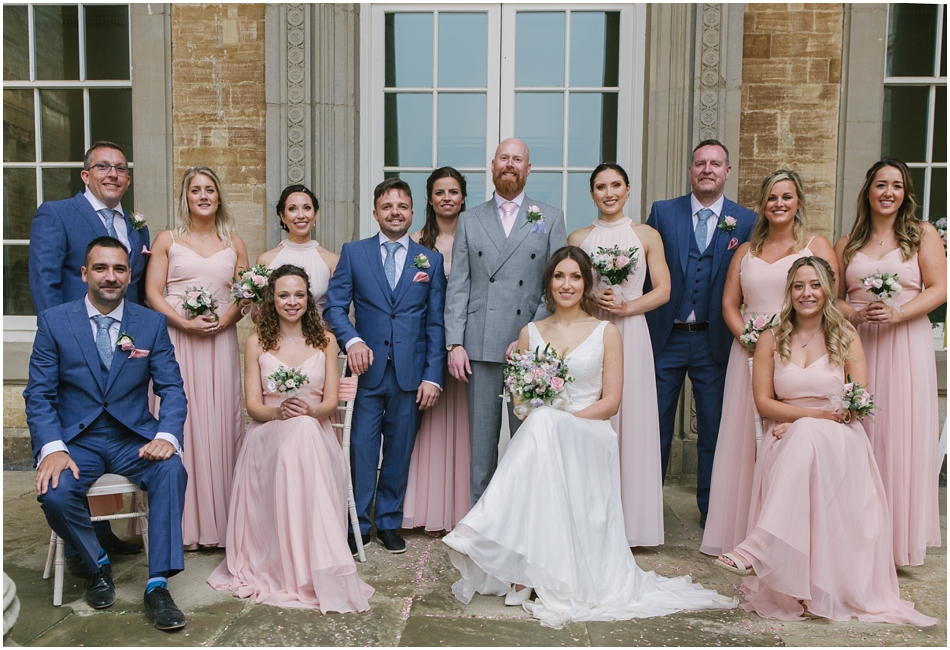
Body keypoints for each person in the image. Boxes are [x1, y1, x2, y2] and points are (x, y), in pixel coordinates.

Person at [443, 246, 736, 628]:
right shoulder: (529, 333)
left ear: (586, 283)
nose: (567, 284)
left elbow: (611, 402)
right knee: (541, 426)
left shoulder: (606, 332)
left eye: (576, 277)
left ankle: (492, 541)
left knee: (544, 425)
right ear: (549, 283)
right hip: (543, 434)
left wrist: (559, 420)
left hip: (589, 431)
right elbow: (519, 403)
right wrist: (544, 417)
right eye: (560, 276)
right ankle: (526, 567)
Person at [714, 257, 936, 626]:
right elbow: (764, 403)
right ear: (790, 291)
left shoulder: (845, 335)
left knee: (805, 435)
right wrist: (807, 419)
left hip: (839, 438)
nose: (807, 293)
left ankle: (758, 547)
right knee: (802, 436)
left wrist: (810, 421)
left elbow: (858, 402)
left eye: (815, 285)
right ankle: (773, 558)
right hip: (789, 433)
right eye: (799, 285)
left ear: (828, 290)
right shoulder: (771, 337)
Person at [24, 237, 189, 630]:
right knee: (55, 491)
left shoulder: (150, 323)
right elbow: (39, 394)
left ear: (130, 275)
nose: (110, 277)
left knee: (172, 471)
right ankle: (96, 562)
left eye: (119, 269)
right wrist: (51, 447)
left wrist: (166, 435)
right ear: (85, 274)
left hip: (133, 438)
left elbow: (172, 388)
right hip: (76, 442)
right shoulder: (54, 321)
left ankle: (158, 583)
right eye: (101, 268)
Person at [209, 265, 374, 612]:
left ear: (308, 298)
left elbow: (329, 402)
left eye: (299, 294)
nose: (292, 301)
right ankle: (303, 563)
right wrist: (280, 412)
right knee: (297, 430)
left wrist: (307, 413)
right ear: (272, 298)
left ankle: (313, 562)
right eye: (284, 294)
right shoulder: (257, 342)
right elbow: (254, 406)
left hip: (314, 432)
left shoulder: (326, 341)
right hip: (267, 435)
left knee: (303, 430)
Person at [701, 170, 836, 557]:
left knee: (788, 440)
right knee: (747, 445)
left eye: (787, 197)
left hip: (799, 358)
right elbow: (729, 304)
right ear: (762, 205)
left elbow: (828, 303)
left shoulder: (816, 246)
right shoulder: (745, 251)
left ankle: (791, 537)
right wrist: (748, 337)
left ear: (798, 203)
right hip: (749, 355)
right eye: (772, 197)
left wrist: (789, 347)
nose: (779, 204)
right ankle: (746, 531)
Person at [27, 141, 148, 569]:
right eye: (103, 167)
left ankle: (104, 531)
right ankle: (82, 546)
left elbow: (135, 290)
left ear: (127, 178)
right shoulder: (57, 214)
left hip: (120, 346)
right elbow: (43, 279)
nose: (113, 174)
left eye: (120, 168)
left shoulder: (135, 227)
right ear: (86, 174)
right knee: (75, 438)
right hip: (71, 346)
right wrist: (58, 339)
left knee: (110, 429)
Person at [324, 177, 447, 555]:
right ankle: (357, 523)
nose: (395, 212)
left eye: (402, 206)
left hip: (411, 374)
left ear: (412, 212)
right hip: (366, 373)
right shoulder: (353, 253)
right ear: (375, 212)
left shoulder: (431, 259)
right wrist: (353, 340)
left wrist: (432, 375)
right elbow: (334, 307)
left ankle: (389, 521)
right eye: (388, 206)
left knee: (399, 449)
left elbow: (436, 322)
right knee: (361, 448)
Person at [835, 159, 946, 567]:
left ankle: (896, 543)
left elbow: (940, 288)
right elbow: (835, 298)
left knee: (899, 435)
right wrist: (856, 314)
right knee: (860, 432)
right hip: (861, 344)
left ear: (905, 193)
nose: (888, 192)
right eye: (880, 184)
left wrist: (900, 313)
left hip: (905, 343)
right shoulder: (848, 242)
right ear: (868, 191)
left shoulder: (921, 235)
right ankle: (857, 537)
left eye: (896, 185)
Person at [444, 137, 568, 505]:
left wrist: (530, 335)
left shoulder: (551, 216)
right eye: (504, 158)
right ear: (493, 165)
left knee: (527, 441)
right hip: (479, 344)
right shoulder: (470, 219)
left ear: (528, 169)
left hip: (528, 348)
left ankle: (524, 522)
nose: (510, 164)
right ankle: (480, 525)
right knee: (481, 447)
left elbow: (555, 285)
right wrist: (454, 343)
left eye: (518, 159)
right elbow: (458, 285)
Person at [644, 139, 757, 527]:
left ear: (727, 171)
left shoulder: (746, 221)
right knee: (652, 425)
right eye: (699, 163)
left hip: (716, 341)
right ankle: (645, 509)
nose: (706, 169)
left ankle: (713, 511)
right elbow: (644, 275)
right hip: (666, 338)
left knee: (714, 428)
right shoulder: (662, 213)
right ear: (690, 170)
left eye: (715, 164)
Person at [145, 166, 249, 550]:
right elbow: (153, 293)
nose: (203, 196)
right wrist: (183, 324)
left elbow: (244, 295)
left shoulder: (234, 242)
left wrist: (225, 320)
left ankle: (221, 525)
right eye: (195, 190)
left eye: (209, 189)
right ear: (185, 198)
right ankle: (179, 524)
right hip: (177, 338)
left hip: (220, 340)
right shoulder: (168, 239)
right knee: (181, 419)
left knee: (220, 420)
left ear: (219, 197)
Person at [568, 163, 670, 547]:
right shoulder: (579, 237)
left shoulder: (646, 235)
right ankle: (591, 519)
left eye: (615, 185)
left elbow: (664, 289)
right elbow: (569, 285)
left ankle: (633, 525)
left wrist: (628, 307)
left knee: (633, 418)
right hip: (592, 329)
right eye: (600, 187)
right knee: (594, 416)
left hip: (632, 331)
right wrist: (594, 297)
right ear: (591, 193)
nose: (608, 193)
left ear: (628, 190)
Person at [402, 167, 472, 535]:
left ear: (463, 197)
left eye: (454, 191)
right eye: (440, 192)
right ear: (430, 199)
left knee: (463, 424)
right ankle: (427, 506)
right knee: (428, 424)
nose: (447, 197)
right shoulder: (415, 244)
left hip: (463, 344)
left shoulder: (474, 236)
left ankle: (462, 508)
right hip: (424, 345)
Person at [256, 184, 339, 316]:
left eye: (306, 208)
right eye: (292, 209)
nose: (301, 215)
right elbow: (258, 314)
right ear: (282, 216)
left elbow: (337, 311)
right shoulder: (266, 260)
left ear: (315, 214)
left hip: (320, 334)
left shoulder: (332, 261)